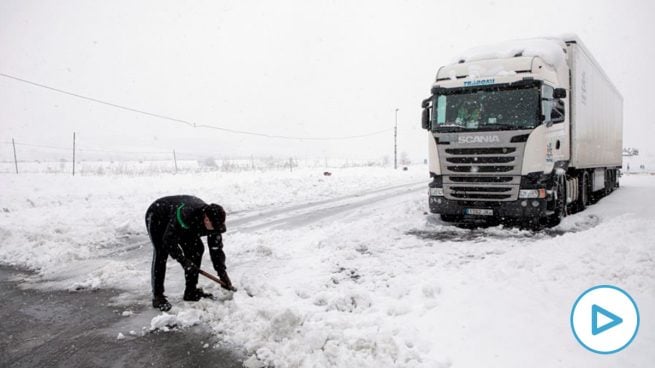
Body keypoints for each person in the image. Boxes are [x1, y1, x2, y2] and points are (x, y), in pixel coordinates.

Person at [145, 195, 234, 311]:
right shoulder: (186, 214)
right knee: (161, 252)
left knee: (196, 249)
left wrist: (222, 273)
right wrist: (184, 261)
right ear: (206, 219)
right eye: (214, 226)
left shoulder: (214, 222)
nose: (216, 229)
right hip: (159, 216)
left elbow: (216, 249)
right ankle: (158, 296)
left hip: (185, 225)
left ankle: (191, 292)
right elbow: (168, 240)